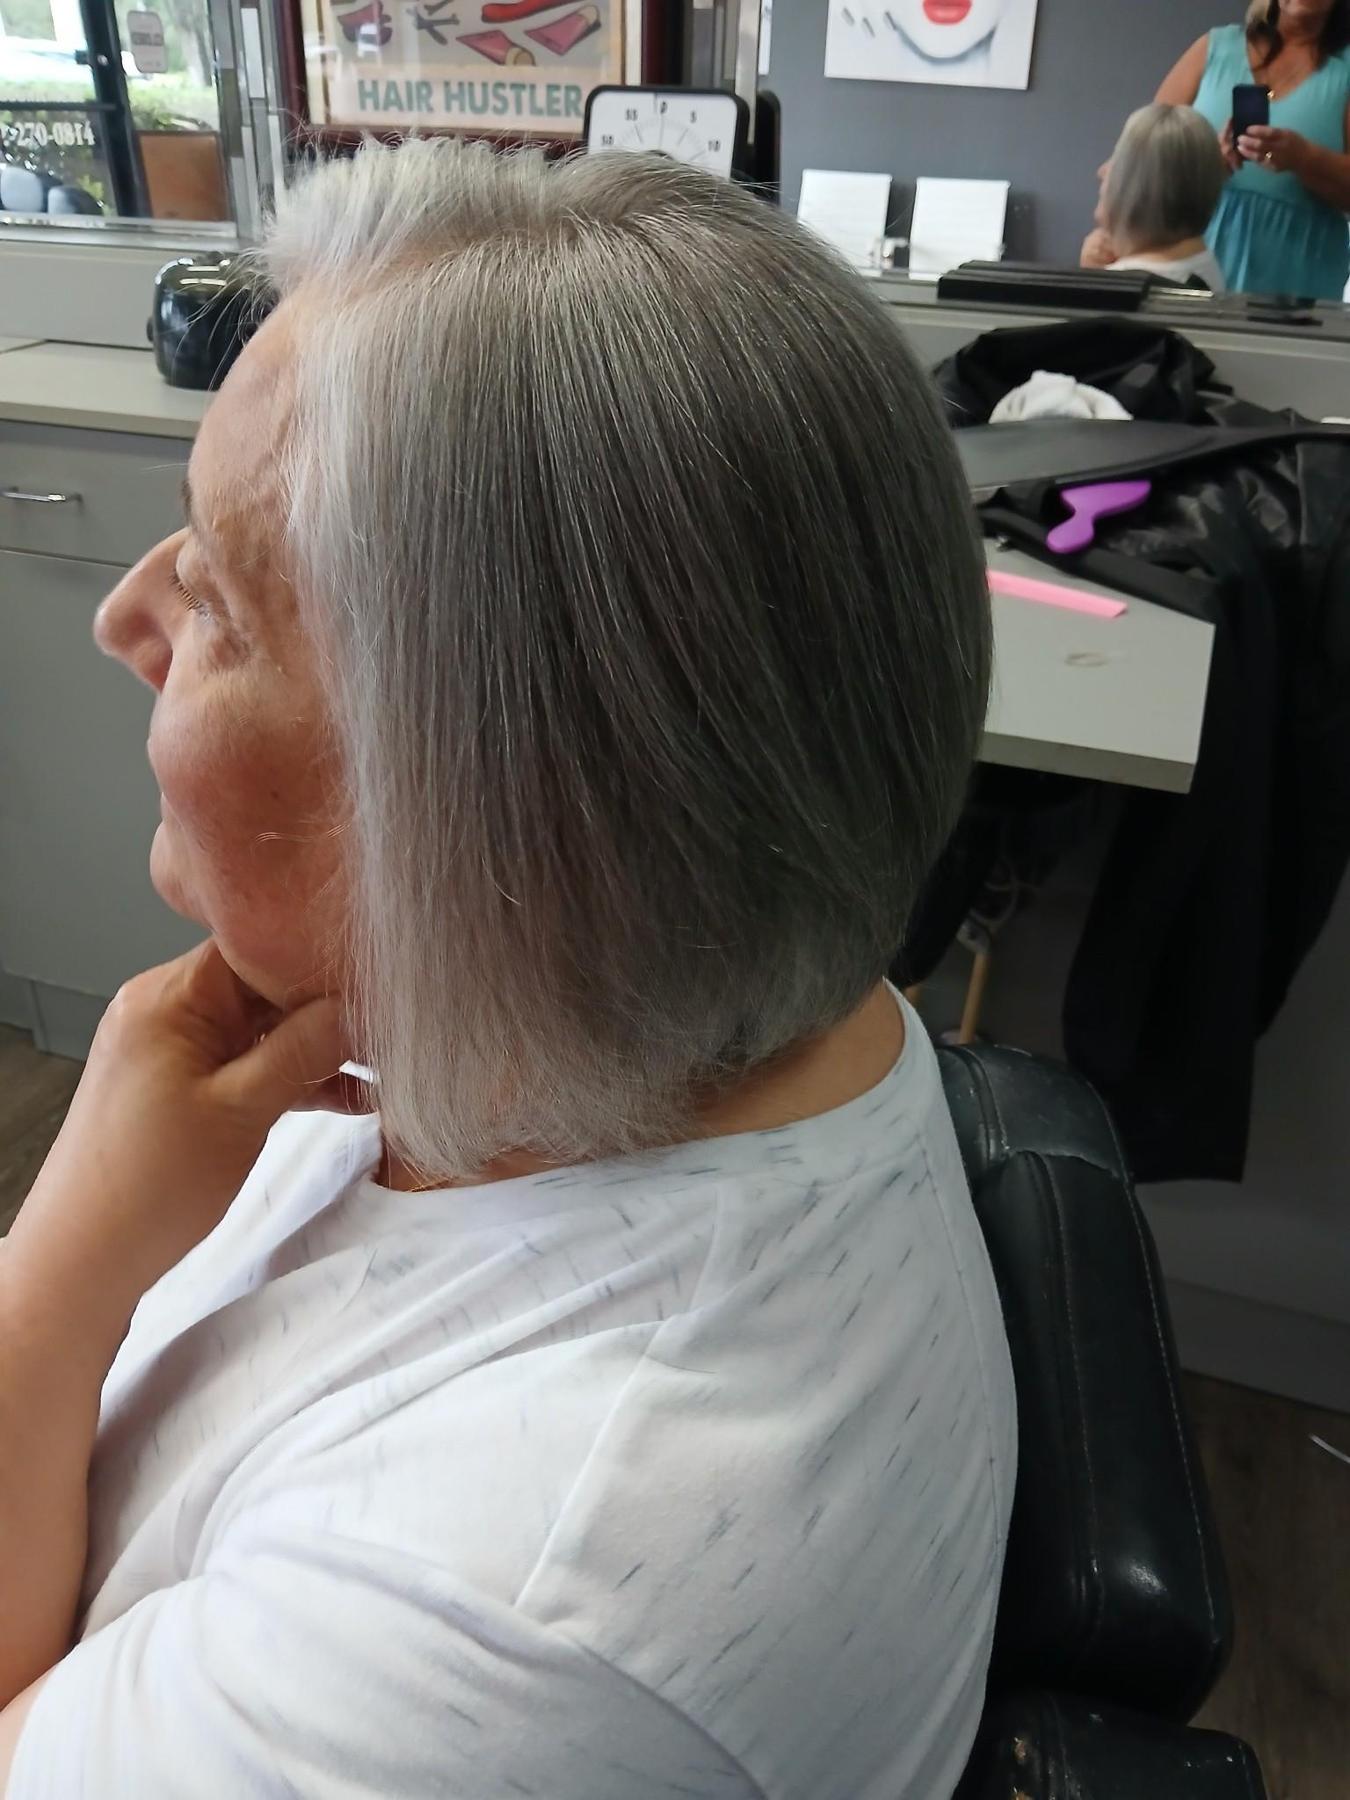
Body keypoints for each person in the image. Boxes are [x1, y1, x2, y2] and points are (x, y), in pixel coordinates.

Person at [0, 142, 1013, 1799]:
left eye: (221, 599)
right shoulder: (732, 990)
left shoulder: (511, 1621)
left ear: (496, 816)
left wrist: (59, 1270)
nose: (127, 619)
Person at [1156, 0, 1350, 299]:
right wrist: (1207, 165)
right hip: (1188, 273)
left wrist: (1304, 158)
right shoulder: (1214, 48)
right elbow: (1143, 158)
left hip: (1298, 286)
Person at [1081, 103, 1230, 289]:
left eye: (1119, 160)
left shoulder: (1119, 288)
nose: (1102, 171)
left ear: (1140, 188)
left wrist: (1091, 280)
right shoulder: (1202, 262)